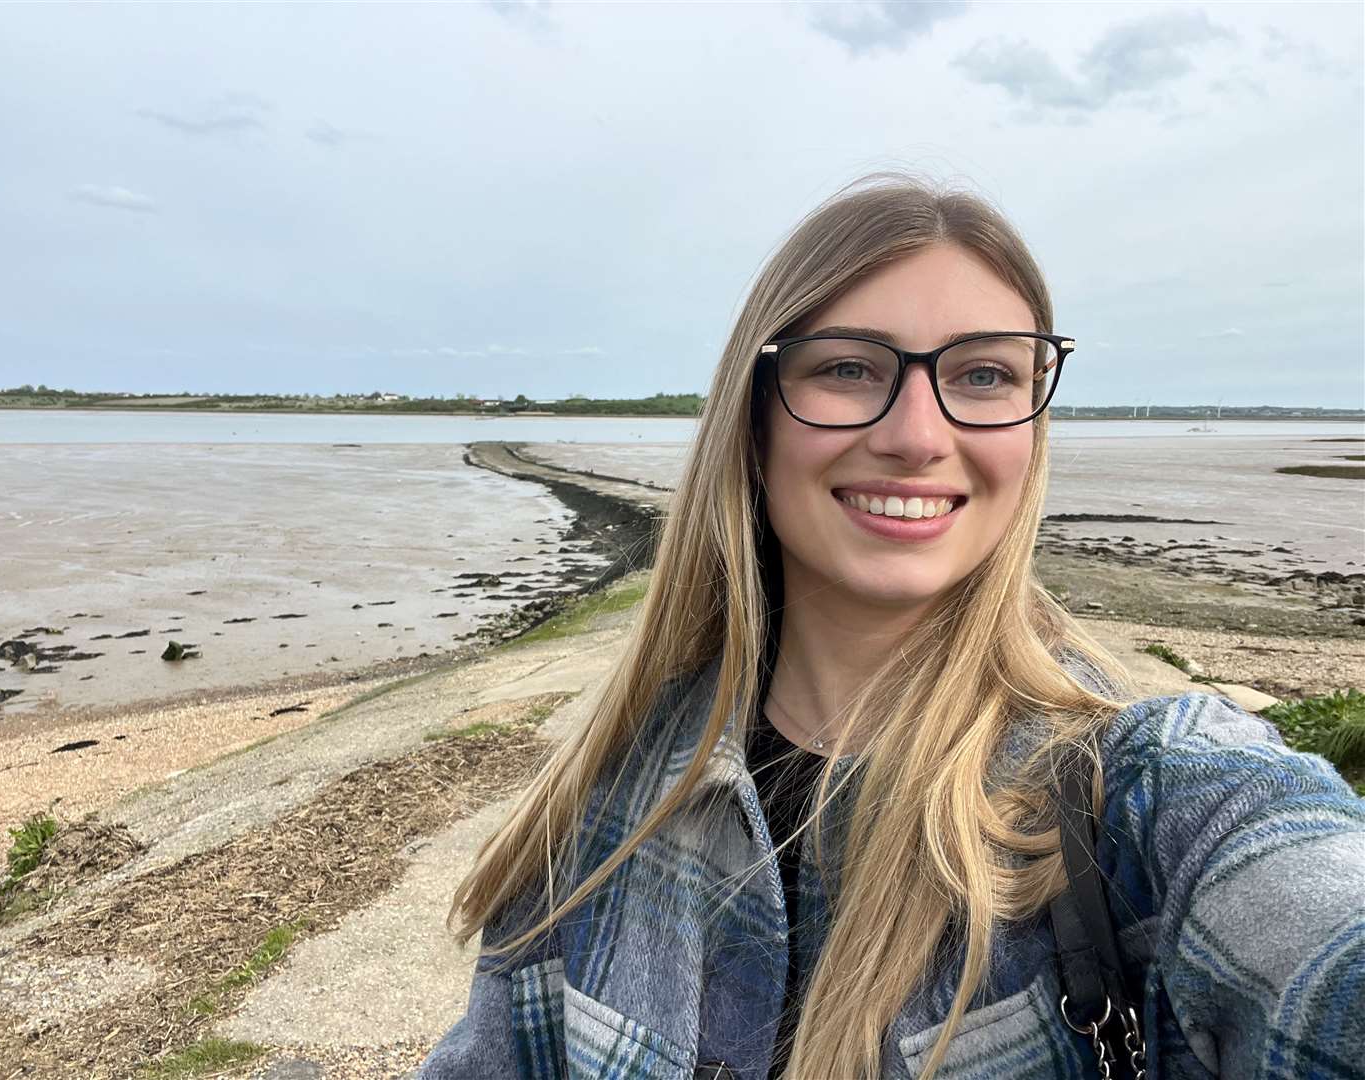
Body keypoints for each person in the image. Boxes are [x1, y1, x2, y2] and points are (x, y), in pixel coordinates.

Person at [418, 175, 1365, 1079]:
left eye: (985, 374)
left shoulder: (1146, 802)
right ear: (754, 419)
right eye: (847, 368)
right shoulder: (611, 796)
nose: (917, 435)